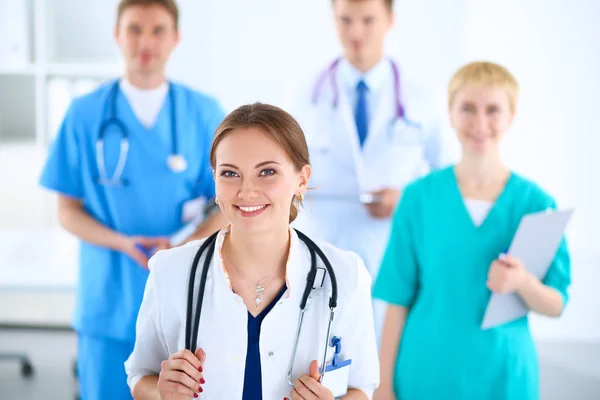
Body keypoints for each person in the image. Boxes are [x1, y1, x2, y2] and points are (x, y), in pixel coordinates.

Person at [124, 103, 380, 399]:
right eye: (230, 174)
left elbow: (361, 387)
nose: (246, 191)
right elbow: (139, 375)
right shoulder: (171, 271)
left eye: (267, 172)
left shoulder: (345, 274)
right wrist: (162, 391)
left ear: (301, 179)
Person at [38, 1, 227, 398]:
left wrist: (180, 245)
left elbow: (228, 204)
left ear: (175, 38)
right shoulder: (84, 114)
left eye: (158, 30)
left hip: (184, 293)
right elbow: (67, 210)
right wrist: (121, 242)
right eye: (135, 29)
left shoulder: (204, 113)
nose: (146, 42)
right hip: (108, 295)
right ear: (117, 35)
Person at [372, 61, 571, 400]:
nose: (480, 123)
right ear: (449, 114)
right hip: (425, 372)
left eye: (493, 110)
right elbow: (397, 301)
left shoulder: (536, 204)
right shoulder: (418, 198)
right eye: (468, 108)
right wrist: (383, 387)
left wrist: (522, 282)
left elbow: (556, 303)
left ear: (511, 116)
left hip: (503, 376)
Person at [284, 0, 446, 338]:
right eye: (345, 20)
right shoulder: (306, 97)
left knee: (389, 364)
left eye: (368, 20)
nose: (355, 32)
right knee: (323, 360)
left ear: (390, 20)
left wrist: (406, 200)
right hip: (324, 247)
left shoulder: (421, 99)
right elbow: (287, 170)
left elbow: (446, 182)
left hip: (393, 248)